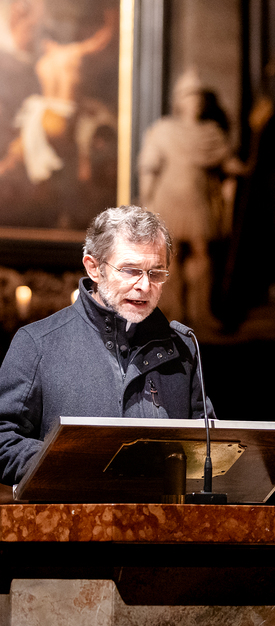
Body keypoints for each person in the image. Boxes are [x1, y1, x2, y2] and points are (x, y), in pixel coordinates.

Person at [0, 205, 213, 487]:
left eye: (155, 273)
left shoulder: (183, 348)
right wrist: (68, 465)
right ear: (94, 268)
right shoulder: (37, 343)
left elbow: (209, 449)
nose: (144, 285)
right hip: (69, 513)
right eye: (131, 270)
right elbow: (3, 437)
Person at [138, 68, 243, 331]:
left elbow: (227, 163)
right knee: (170, 256)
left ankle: (201, 312)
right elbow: (149, 166)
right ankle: (172, 311)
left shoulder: (211, 133)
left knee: (201, 253)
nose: (194, 102)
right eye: (189, 96)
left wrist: (246, 167)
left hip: (198, 201)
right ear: (179, 100)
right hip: (168, 199)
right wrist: (146, 200)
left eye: (198, 97)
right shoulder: (164, 130)